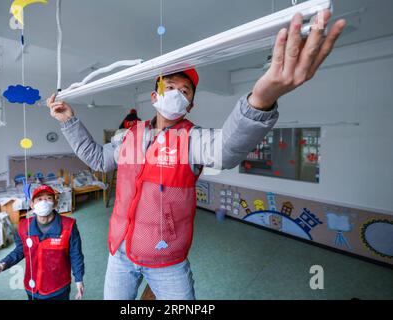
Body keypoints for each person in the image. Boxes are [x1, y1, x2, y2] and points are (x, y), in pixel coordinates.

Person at [46, 11, 346, 299]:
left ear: (190, 105)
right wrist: (68, 121)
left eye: (186, 91)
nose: (177, 93)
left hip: (168, 260)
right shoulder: (129, 136)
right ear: (155, 96)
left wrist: (262, 99)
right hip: (120, 252)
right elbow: (99, 159)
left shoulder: (193, 139)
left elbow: (226, 150)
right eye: (171, 86)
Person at [0, 185, 85, 300]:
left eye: (48, 198)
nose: (44, 202)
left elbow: (76, 254)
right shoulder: (23, 226)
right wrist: (1, 265)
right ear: (32, 205)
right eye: (39, 199)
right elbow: (20, 250)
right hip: (32, 286)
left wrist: (79, 279)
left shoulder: (68, 226)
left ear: (55, 204)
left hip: (58, 288)